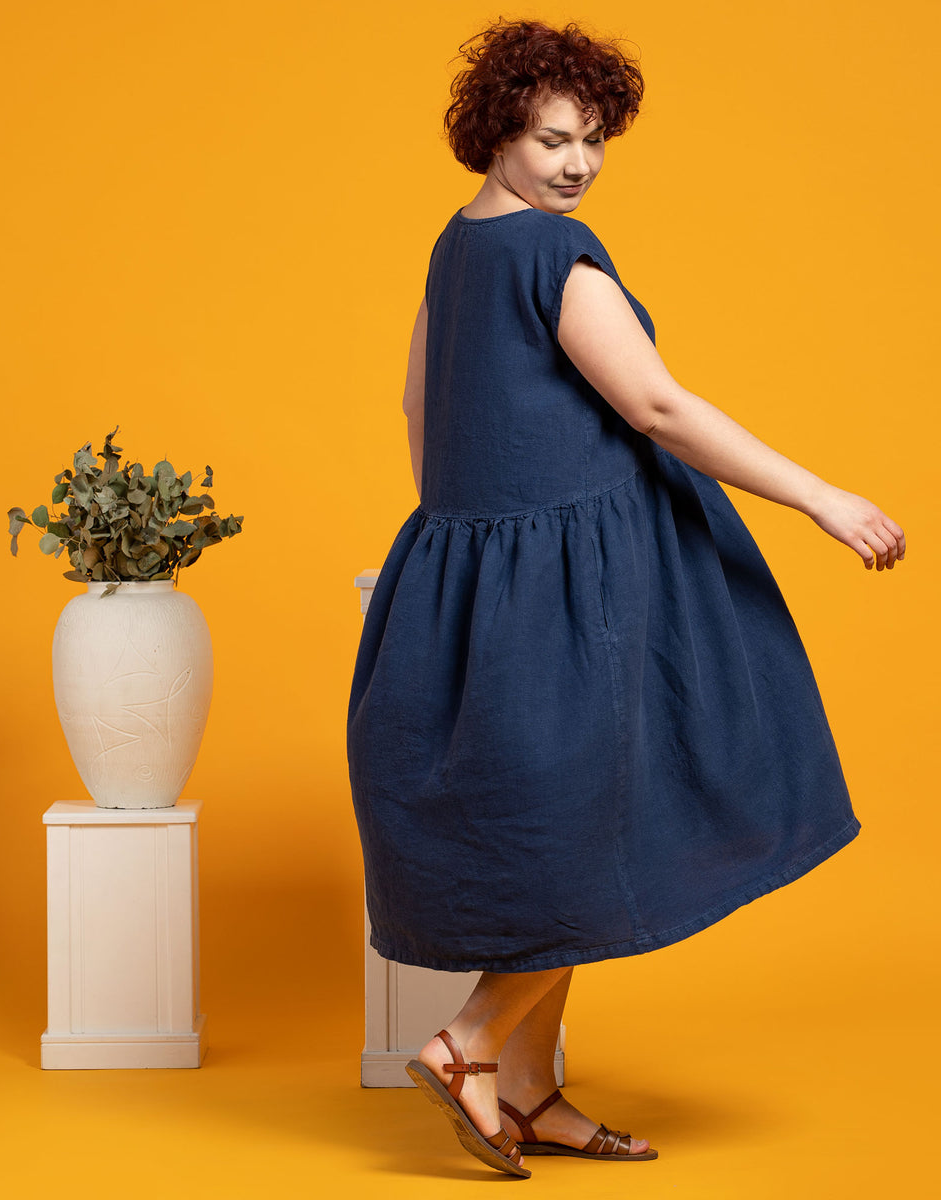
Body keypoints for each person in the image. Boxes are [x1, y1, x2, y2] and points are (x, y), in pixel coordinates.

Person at [347, 19, 905, 1179]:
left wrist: (470, 541)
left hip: (484, 576)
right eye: (551, 139)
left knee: (564, 823)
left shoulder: (456, 247)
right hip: (574, 592)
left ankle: (530, 1092)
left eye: (592, 141)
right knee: (598, 823)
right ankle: (468, 1044)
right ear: (496, 134)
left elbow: (414, 408)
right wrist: (822, 497)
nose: (576, 165)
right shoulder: (557, 255)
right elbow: (656, 407)